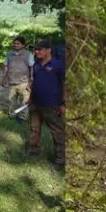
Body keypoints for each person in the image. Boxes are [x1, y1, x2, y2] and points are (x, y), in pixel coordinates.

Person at [23, 40, 65, 170]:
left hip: (51, 105)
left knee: (57, 132)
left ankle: (60, 160)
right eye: (36, 50)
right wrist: (30, 98)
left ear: (49, 50)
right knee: (35, 128)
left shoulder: (57, 65)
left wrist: (63, 103)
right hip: (35, 104)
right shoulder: (36, 65)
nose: (37, 52)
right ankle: (33, 150)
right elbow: (34, 83)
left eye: (40, 49)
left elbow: (64, 85)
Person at [3, 36, 34, 124]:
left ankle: (22, 117)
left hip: (24, 82)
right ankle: (12, 114)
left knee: (24, 101)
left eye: (18, 43)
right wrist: (4, 77)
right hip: (12, 81)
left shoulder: (28, 54)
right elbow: (6, 66)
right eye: (15, 43)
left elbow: (31, 67)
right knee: (11, 100)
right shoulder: (9, 54)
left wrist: (31, 78)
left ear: (23, 45)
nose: (16, 45)